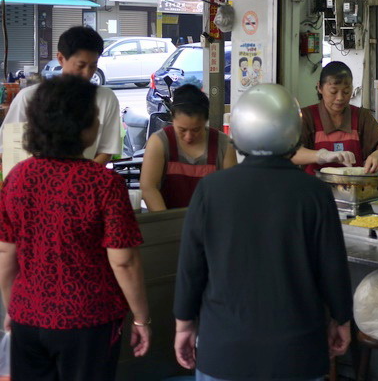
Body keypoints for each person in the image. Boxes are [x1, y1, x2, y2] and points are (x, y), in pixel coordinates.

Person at [174, 83, 352, 381]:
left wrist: (183, 324)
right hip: (297, 354)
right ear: (293, 132)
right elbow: (332, 267)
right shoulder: (315, 194)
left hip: (223, 352)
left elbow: (191, 267)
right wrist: (341, 318)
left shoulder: (211, 190)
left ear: (239, 132)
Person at [0, 76, 150, 380]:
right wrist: (142, 319)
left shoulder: (17, 177)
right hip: (89, 320)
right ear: (82, 128)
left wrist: (12, 307)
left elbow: (6, 253)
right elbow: (123, 260)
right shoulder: (103, 183)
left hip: (29, 315)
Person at [0, 26, 122, 166]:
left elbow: (107, 150)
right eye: (80, 65)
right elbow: (7, 147)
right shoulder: (29, 97)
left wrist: (82, 178)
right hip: (35, 182)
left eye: (93, 66)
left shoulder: (106, 98)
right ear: (60, 58)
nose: (88, 73)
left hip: (82, 184)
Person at [140, 84, 237, 211]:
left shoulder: (224, 145)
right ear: (173, 119)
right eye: (182, 130)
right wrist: (168, 222)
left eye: (196, 130)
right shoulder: (159, 142)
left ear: (205, 121)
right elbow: (148, 187)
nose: (188, 137)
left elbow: (231, 193)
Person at [292, 61, 378, 175]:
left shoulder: (361, 116)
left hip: (356, 189)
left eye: (346, 92)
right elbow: (291, 153)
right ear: (320, 88)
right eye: (333, 91)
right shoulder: (307, 116)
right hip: (315, 189)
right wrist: (322, 155)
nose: (340, 97)